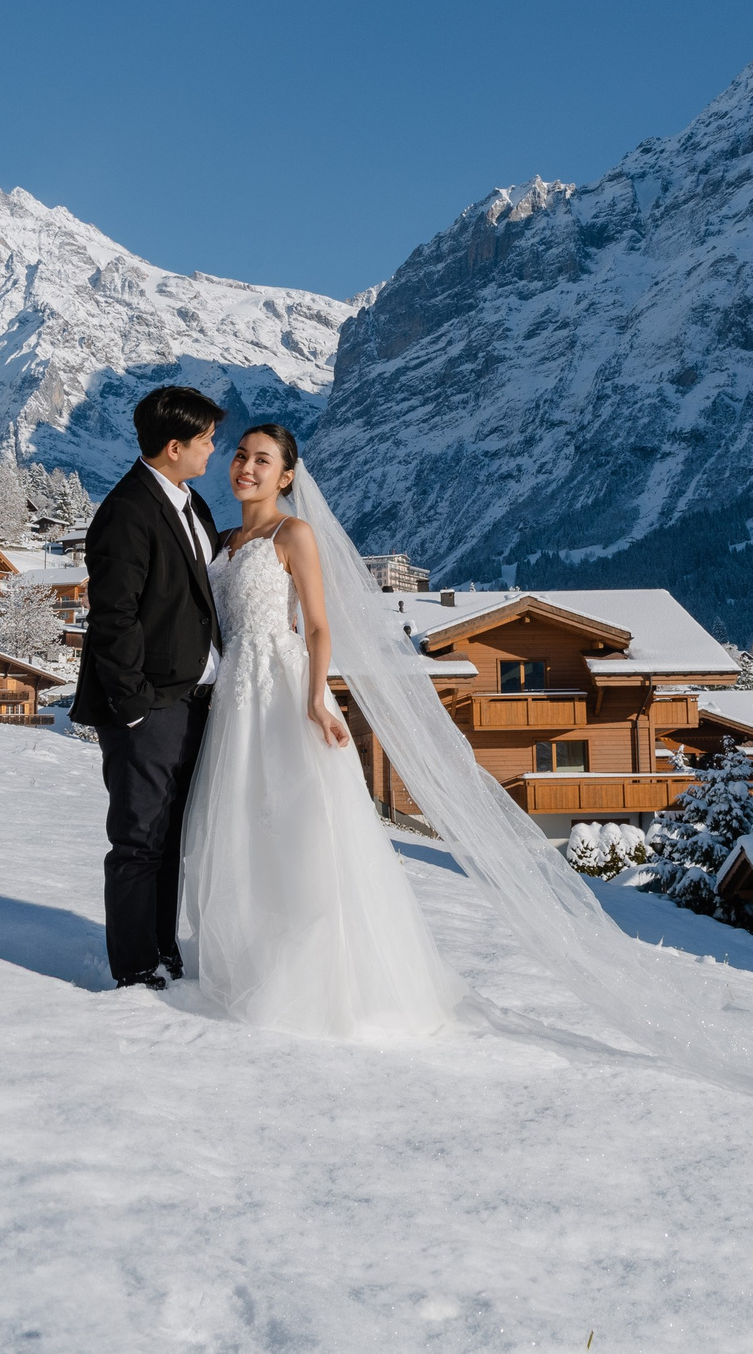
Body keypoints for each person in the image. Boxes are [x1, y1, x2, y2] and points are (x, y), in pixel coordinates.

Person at [176, 423, 461, 1036]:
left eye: (263, 460)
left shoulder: (293, 533)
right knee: (238, 823)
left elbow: (320, 627)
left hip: (280, 687)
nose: (246, 468)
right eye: (241, 456)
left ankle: (317, 979)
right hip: (233, 695)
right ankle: (245, 959)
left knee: (298, 827)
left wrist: (315, 701)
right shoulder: (224, 540)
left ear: (286, 476)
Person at [71, 385, 228, 990]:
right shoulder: (127, 511)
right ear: (173, 446)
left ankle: (165, 950)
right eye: (207, 441)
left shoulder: (194, 505)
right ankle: (136, 969)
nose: (214, 451)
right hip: (150, 706)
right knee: (137, 841)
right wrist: (136, 707)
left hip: (193, 700)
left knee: (170, 839)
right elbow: (114, 617)